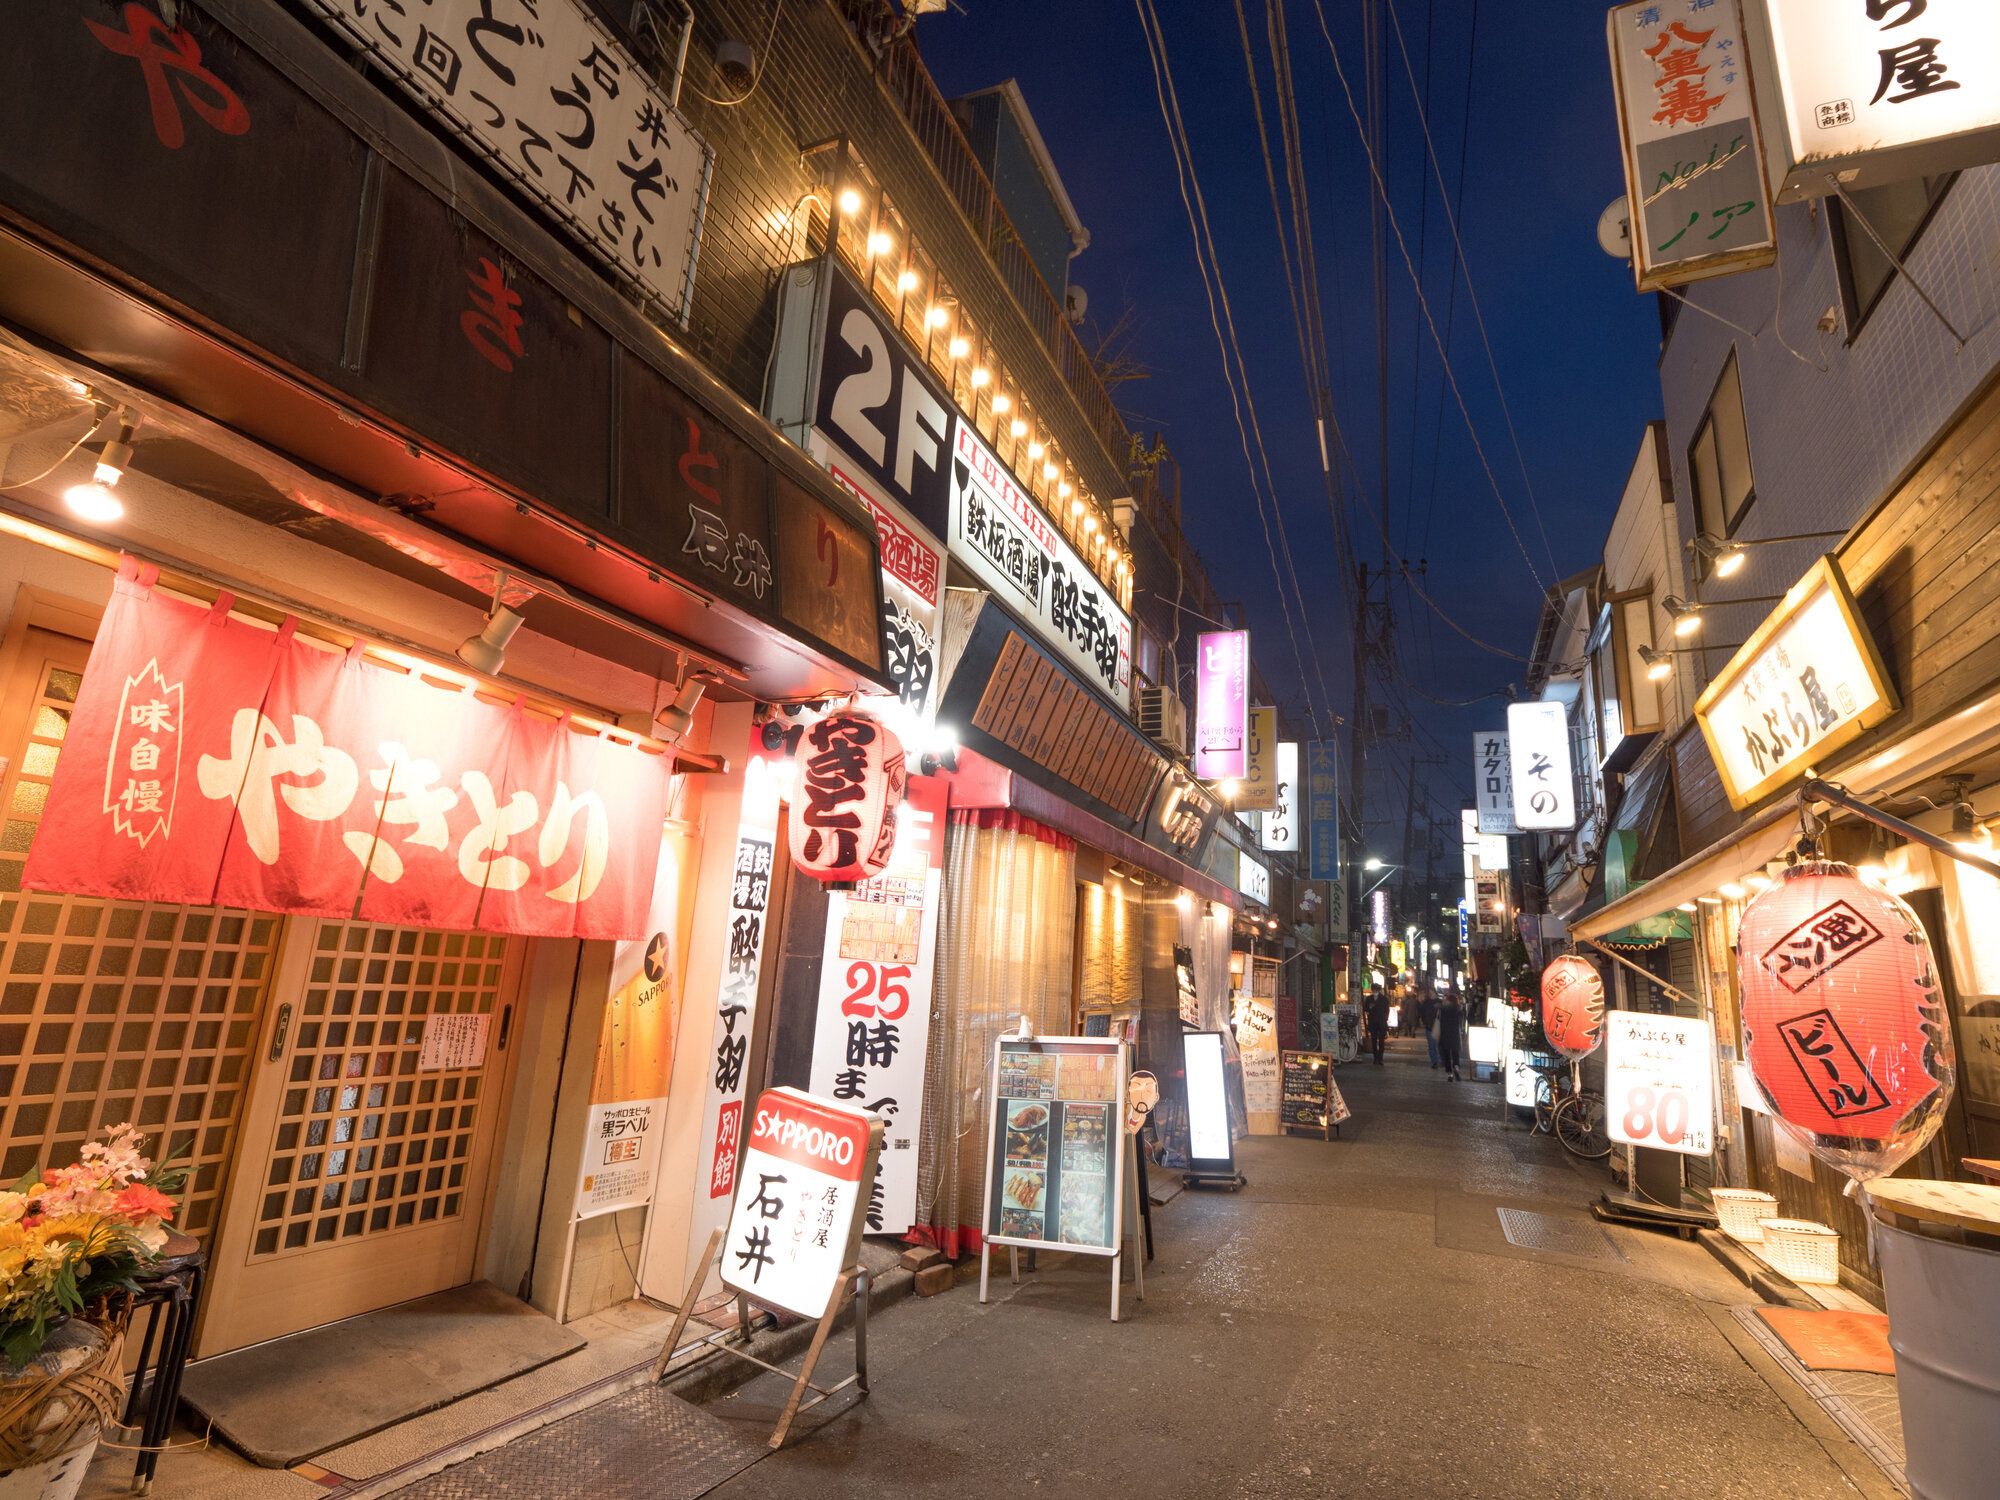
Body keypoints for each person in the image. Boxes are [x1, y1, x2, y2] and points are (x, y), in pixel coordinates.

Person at [1437, 990, 1465, 1082]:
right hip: (1455, 1034)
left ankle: (1450, 1073)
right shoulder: (1458, 1009)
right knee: (1455, 1053)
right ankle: (1456, 1067)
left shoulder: (1443, 1009)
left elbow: (1438, 1019)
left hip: (1445, 1033)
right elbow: (1462, 1021)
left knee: (1447, 1055)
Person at [1364, 987, 1390, 1065]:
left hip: (1381, 1022)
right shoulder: (1369, 999)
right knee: (1374, 1041)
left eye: (1376, 990)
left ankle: (1380, 1058)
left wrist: (1385, 1019)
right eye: (1374, 990)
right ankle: (1375, 1058)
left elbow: (1387, 1010)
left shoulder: (1384, 999)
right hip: (1373, 1022)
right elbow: (1366, 1009)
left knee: (1381, 1041)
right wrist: (1369, 1009)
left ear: (1379, 990)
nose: (1375, 991)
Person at [1419, 989, 1441, 1069]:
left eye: (1432, 993)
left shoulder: (1439, 1002)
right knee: (1432, 1046)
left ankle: (1439, 1060)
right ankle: (1434, 1061)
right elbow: (1421, 1012)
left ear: (1435, 993)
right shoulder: (1426, 1003)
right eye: (1430, 993)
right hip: (1429, 1027)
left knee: (1437, 1045)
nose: (1431, 994)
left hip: (1438, 1026)